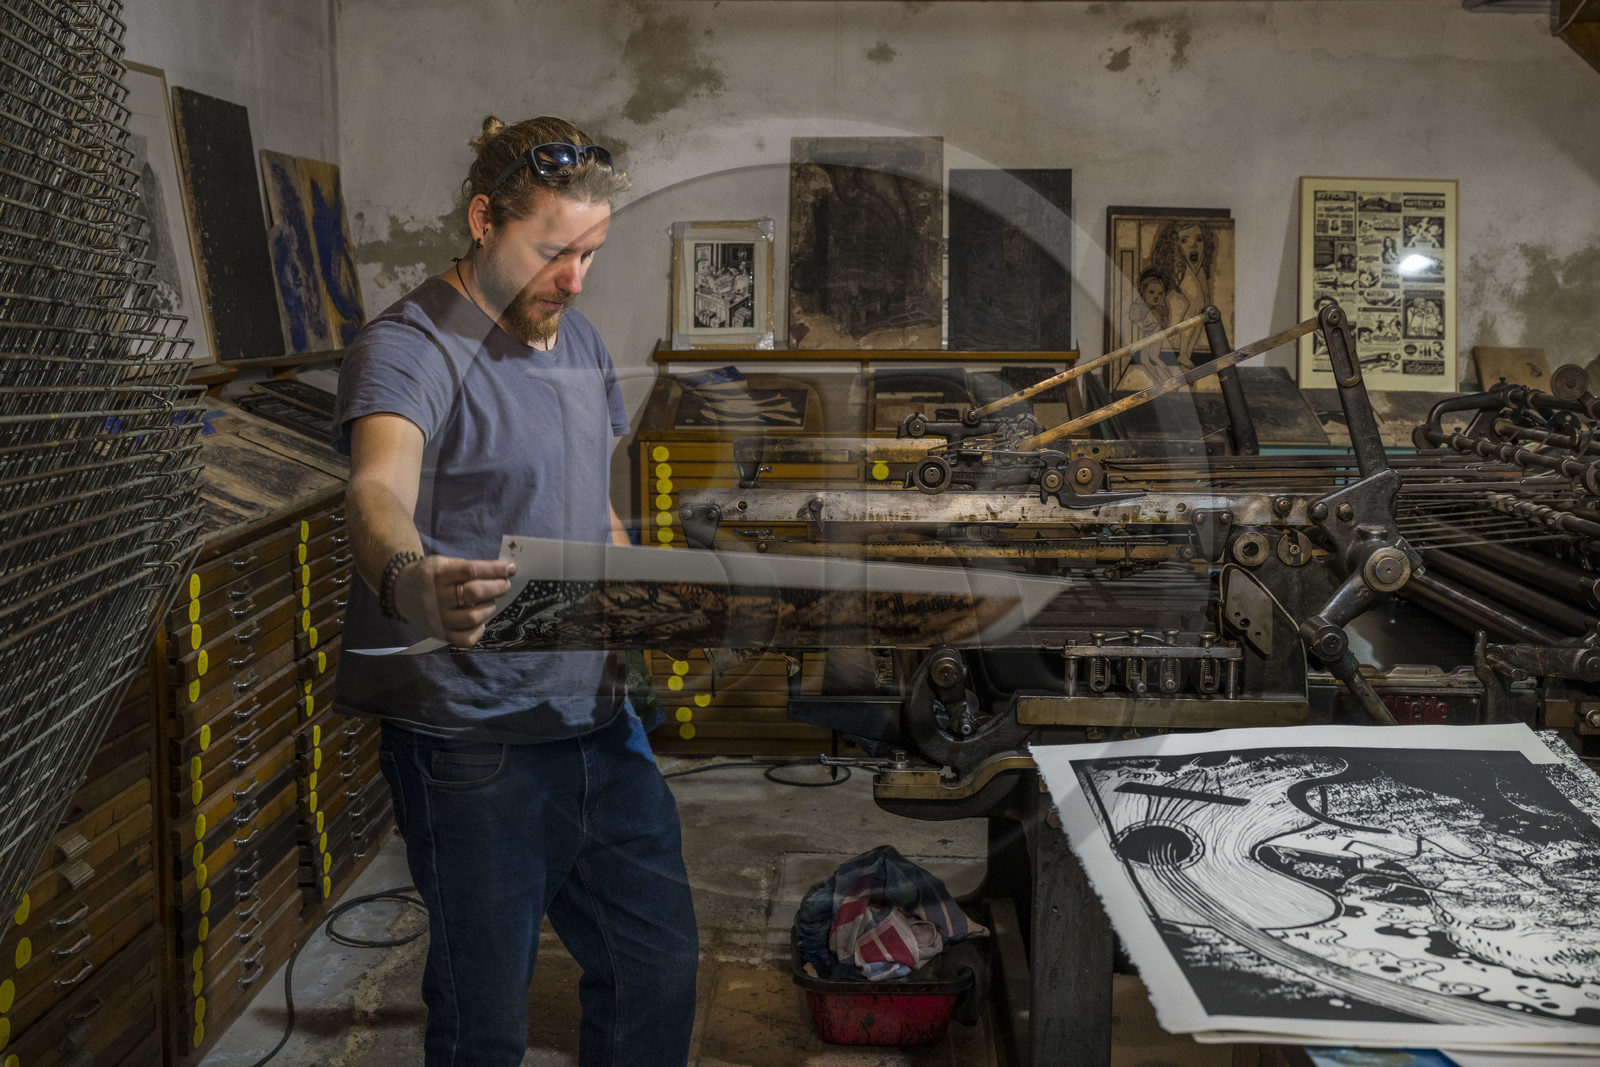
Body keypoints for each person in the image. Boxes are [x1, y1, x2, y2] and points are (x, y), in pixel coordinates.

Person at [331, 115, 698, 1066]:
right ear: (484, 218)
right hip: (473, 742)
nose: (576, 280)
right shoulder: (409, 347)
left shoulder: (572, 340)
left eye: (591, 253)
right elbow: (376, 492)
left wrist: (653, 601)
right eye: (554, 253)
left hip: (599, 723)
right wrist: (413, 581)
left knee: (655, 968)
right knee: (485, 1020)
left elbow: (592, 512)